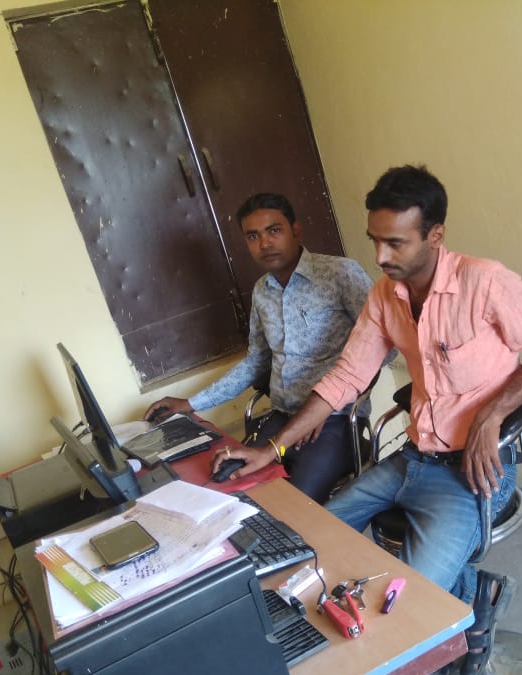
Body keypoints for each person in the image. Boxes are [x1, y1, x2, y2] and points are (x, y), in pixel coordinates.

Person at [212, 166, 522, 675]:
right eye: (375, 241)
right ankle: (469, 591)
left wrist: (491, 415)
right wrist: (274, 448)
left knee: (410, 599)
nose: (381, 257)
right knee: (313, 540)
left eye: (395, 243)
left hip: (473, 473)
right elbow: (347, 376)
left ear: (435, 235)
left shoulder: (485, 282)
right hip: (411, 460)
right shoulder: (386, 295)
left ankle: (475, 597)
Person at [145, 192, 373, 502]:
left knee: (295, 503)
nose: (265, 243)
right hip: (281, 416)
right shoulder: (262, 292)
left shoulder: (340, 274)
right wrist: (191, 403)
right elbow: (256, 362)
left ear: (296, 230)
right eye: (253, 236)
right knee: (234, 483)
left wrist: (330, 405)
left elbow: (383, 348)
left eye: (274, 230)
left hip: (335, 421)